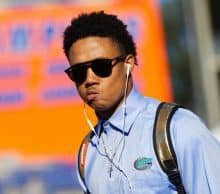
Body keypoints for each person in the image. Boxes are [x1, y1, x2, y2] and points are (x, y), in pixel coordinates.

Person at [62, 11, 220, 194]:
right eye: (78, 72)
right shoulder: (87, 154)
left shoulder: (178, 129)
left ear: (128, 63)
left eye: (101, 67)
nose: (89, 79)